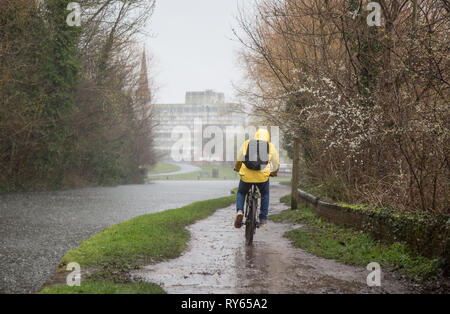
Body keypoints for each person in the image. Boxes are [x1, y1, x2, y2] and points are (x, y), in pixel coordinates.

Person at [233, 129, 280, 228]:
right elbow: (276, 164)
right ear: (267, 137)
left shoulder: (247, 143)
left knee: (241, 192)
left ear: (255, 135)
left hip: (246, 176)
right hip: (262, 177)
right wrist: (273, 173)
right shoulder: (270, 146)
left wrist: (237, 169)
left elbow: (238, 158)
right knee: (265, 193)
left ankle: (240, 211)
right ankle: (263, 218)